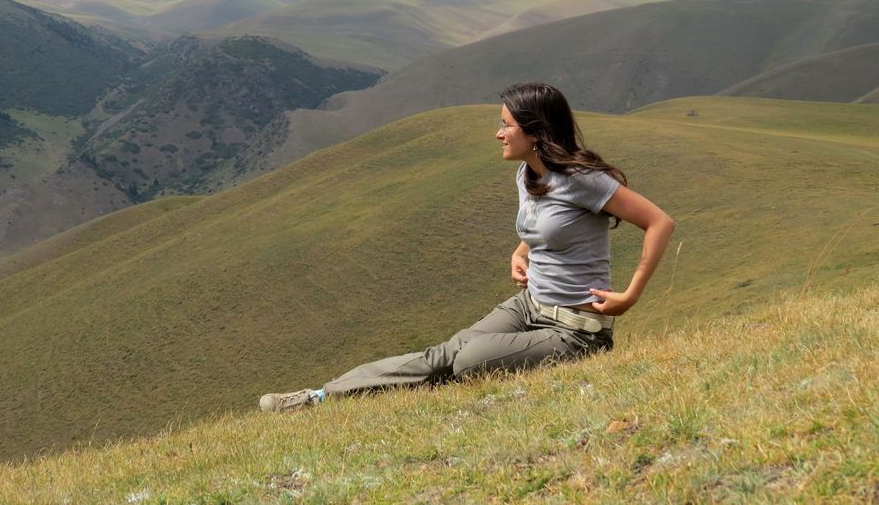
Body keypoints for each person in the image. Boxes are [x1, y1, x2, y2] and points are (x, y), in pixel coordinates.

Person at [259, 82, 675, 412]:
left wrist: (630, 295)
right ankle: (319, 398)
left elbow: (659, 222)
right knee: (443, 355)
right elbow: (544, 229)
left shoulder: (584, 179)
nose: (498, 134)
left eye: (506, 126)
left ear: (536, 132)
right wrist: (520, 252)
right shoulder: (527, 176)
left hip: (576, 330)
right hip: (529, 306)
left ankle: (374, 393)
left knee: (468, 362)